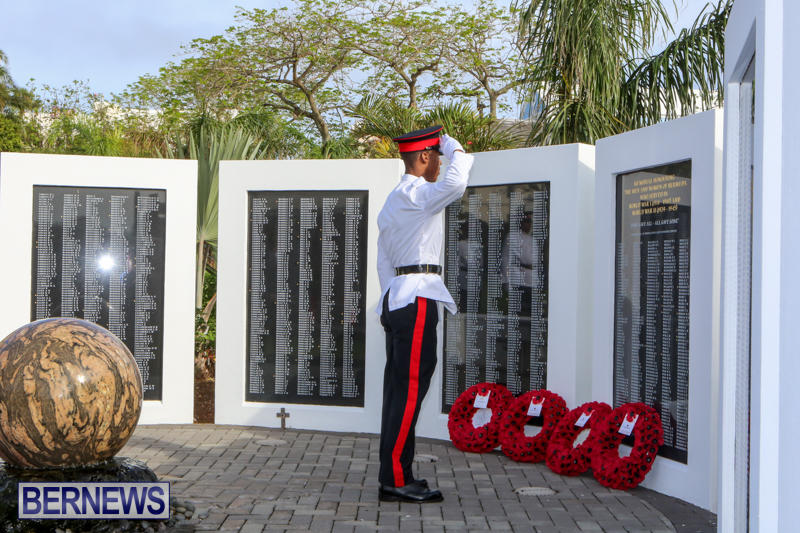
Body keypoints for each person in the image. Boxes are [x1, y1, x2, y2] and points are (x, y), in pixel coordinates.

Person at [376, 125, 474, 503]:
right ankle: (396, 478)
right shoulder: (416, 194)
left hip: (400, 297)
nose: (440, 162)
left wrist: (389, 298)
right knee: (409, 390)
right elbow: (454, 184)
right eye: (436, 155)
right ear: (423, 157)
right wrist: (455, 147)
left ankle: (394, 474)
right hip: (416, 298)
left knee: (399, 391)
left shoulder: (392, 200)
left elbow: (384, 260)